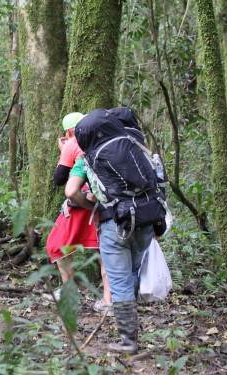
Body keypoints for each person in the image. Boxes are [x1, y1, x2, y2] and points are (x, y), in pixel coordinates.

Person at [72, 108, 158, 354]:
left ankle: (128, 340)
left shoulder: (91, 157)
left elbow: (79, 191)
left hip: (115, 224)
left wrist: (90, 204)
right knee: (130, 273)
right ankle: (130, 329)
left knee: (119, 280)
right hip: (145, 220)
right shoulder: (136, 146)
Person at [45, 113, 112, 315]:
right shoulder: (104, 139)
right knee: (105, 252)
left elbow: (59, 178)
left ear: (69, 131)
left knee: (55, 245)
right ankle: (109, 300)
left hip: (81, 203)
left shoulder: (73, 143)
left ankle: (69, 293)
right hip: (107, 203)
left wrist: (63, 150)